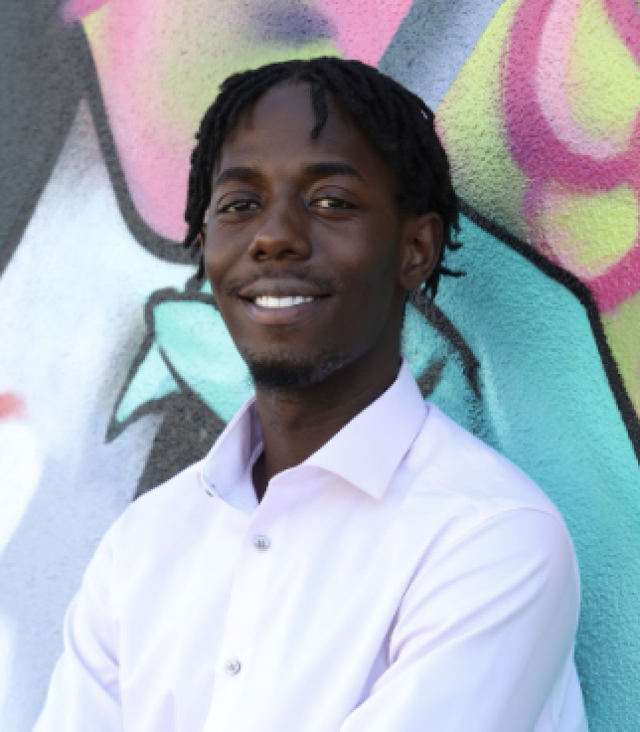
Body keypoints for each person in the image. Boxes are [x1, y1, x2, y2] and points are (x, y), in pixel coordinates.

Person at [34, 58, 588, 732]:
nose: (273, 237)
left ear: (415, 249)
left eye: (331, 202)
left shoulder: (491, 540)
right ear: (206, 247)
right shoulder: (143, 543)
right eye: (240, 205)